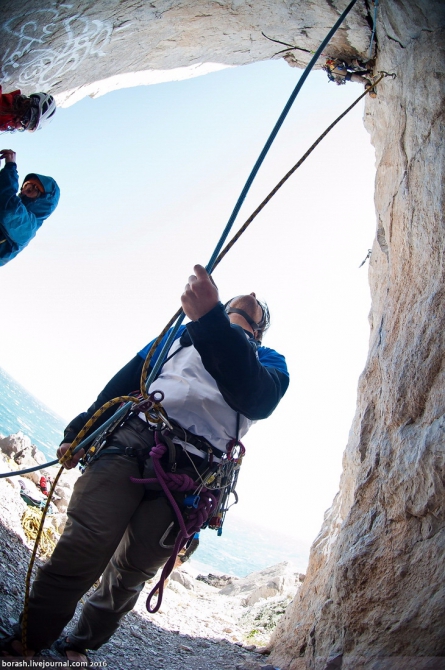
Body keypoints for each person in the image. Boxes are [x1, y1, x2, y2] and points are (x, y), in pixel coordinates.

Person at [0, 265, 289, 663]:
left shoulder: (269, 360)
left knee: (130, 574)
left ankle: (79, 644)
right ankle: (30, 639)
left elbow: (256, 396)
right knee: (81, 548)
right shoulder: (179, 333)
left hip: (191, 475)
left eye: (256, 306)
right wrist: (82, 429)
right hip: (138, 440)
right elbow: (126, 381)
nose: (253, 291)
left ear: (258, 331)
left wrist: (210, 320)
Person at [0, 149, 60, 265]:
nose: (24, 193)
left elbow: (9, 207)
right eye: (24, 188)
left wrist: (10, 167)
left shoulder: (28, 227)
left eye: (31, 190)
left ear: (41, 202)